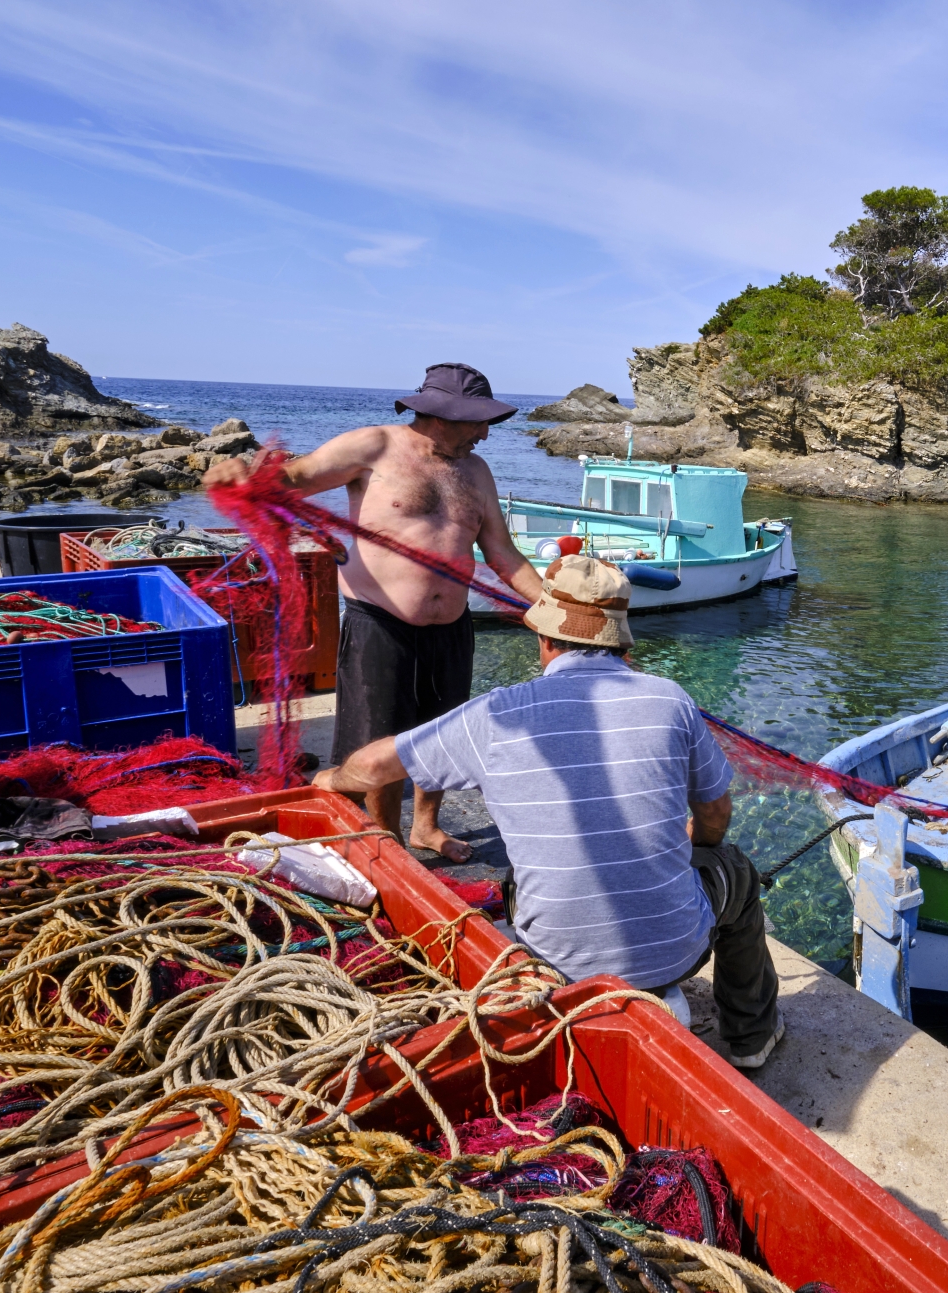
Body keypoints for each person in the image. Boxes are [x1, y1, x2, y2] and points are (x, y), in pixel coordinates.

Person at [311, 555, 784, 1069]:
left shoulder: (497, 712)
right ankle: (752, 1037)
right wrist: (697, 846)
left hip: (555, 959)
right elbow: (715, 811)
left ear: (546, 639)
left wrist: (331, 779)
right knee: (735, 870)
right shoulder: (670, 700)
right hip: (675, 953)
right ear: (620, 640)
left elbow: (376, 766)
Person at [204, 363, 543, 861]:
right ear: (440, 413)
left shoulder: (477, 472)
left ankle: (426, 826)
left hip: (451, 627)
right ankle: (387, 840)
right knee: (381, 741)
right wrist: (240, 475)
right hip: (379, 625)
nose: (485, 433)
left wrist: (553, 605)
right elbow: (292, 479)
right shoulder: (373, 446)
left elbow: (502, 552)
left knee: (443, 736)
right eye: (476, 421)